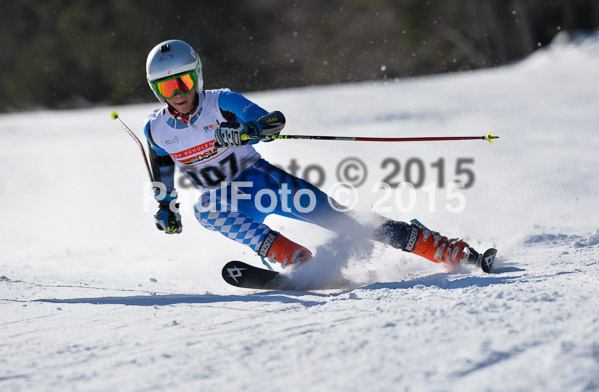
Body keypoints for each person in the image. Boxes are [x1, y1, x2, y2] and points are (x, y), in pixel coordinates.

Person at [144, 39, 481, 270]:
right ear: (156, 90)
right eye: (167, 87)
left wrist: (247, 130)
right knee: (205, 209)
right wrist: (167, 207)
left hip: (264, 183)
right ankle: (295, 260)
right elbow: (161, 169)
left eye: (184, 82)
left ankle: (440, 247)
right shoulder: (156, 129)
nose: (178, 94)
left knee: (348, 223)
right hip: (228, 201)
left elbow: (273, 120)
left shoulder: (222, 103)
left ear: (197, 76)